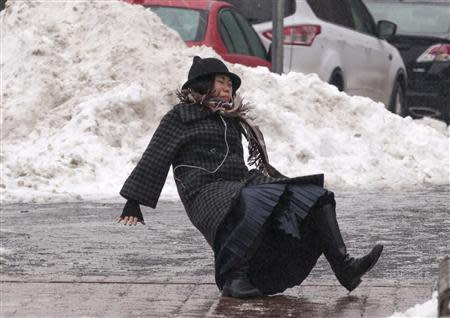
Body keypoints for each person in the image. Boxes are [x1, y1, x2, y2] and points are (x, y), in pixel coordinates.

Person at [118, 56, 383, 298]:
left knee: (313, 194)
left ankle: (345, 266)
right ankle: (234, 278)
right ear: (203, 84)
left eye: (230, 84)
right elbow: (155, 156)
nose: (228, 88)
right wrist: (134, 200)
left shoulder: (231, 119)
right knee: (254, 200)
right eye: (221, 82)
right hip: (204, 192)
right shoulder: (179, 117)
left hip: (239, 185)